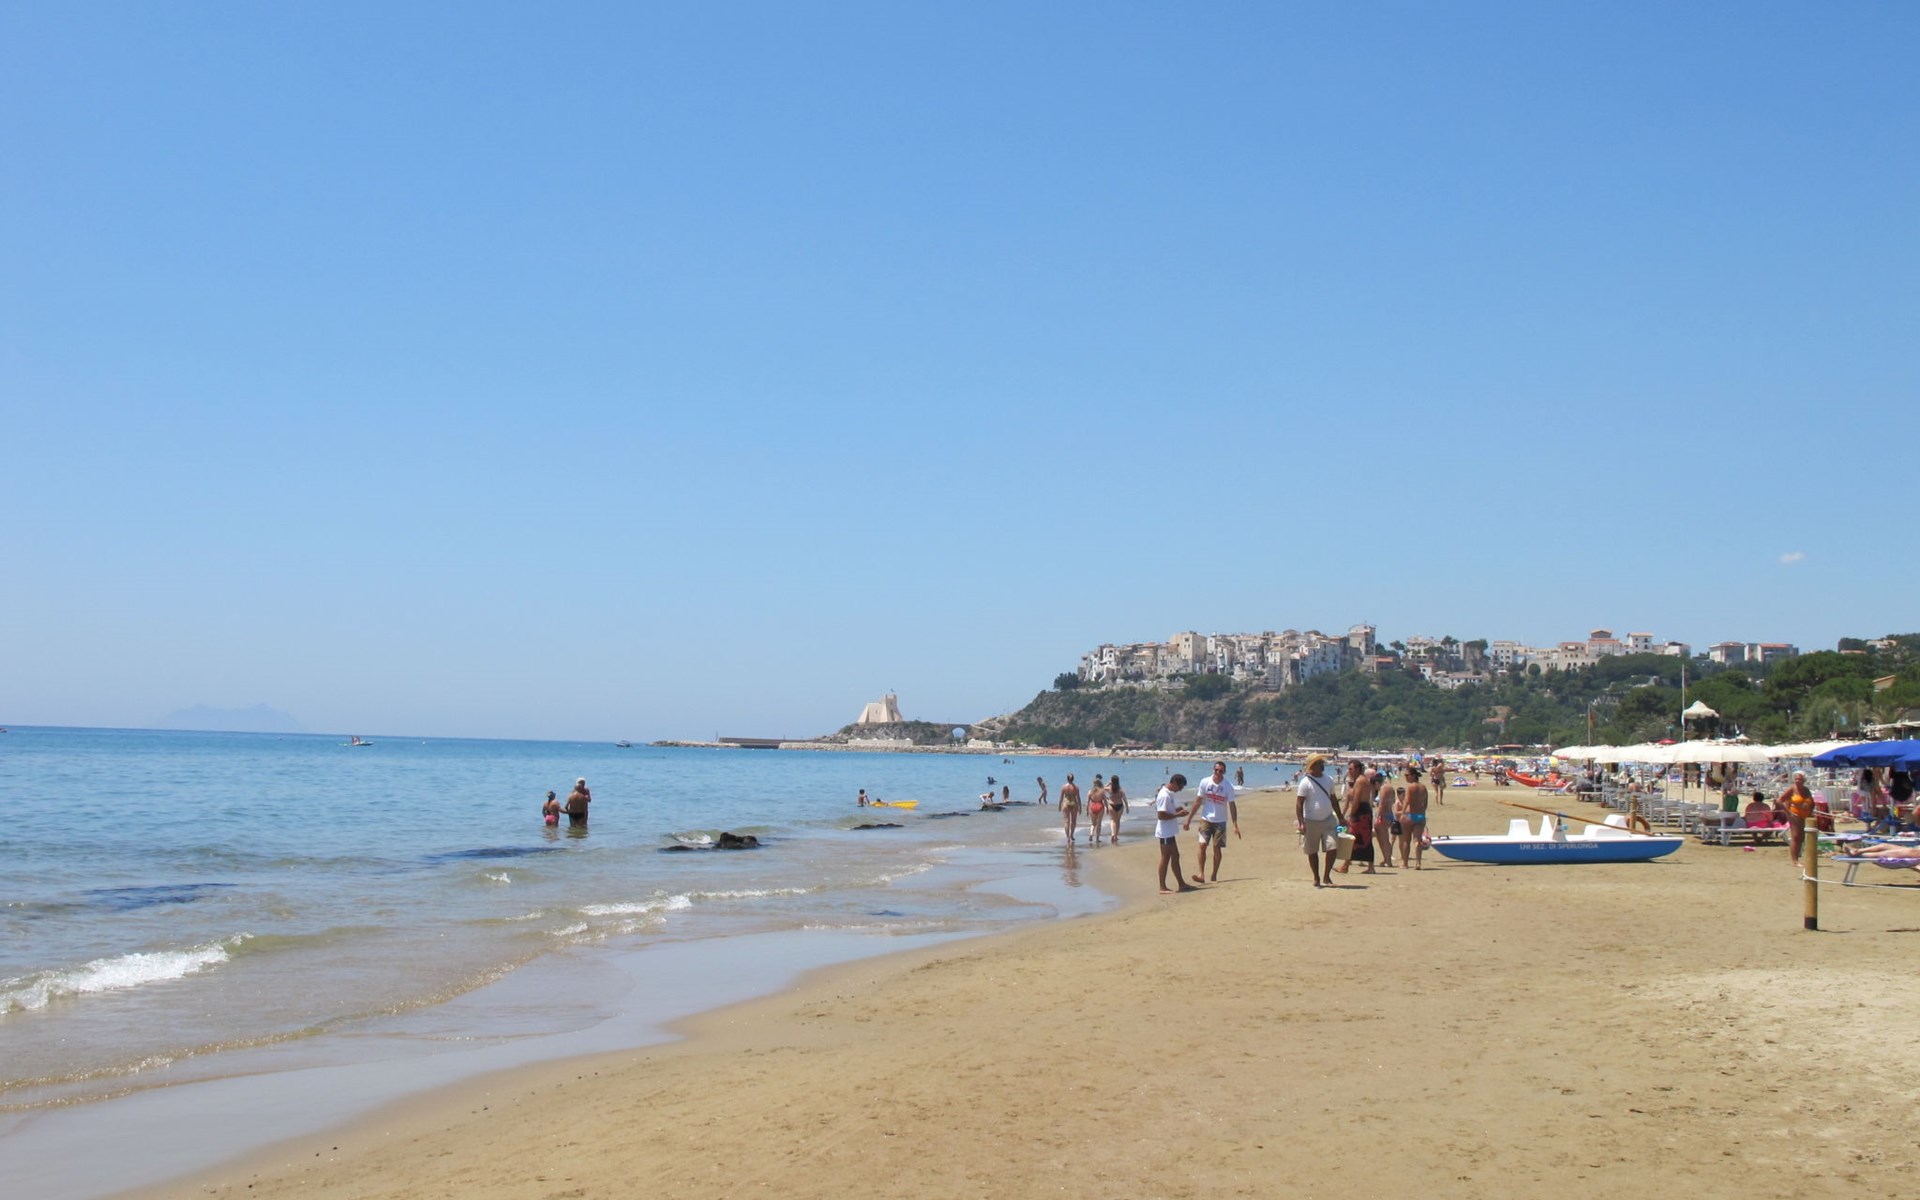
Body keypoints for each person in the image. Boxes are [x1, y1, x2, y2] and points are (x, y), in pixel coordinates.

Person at [1185, 760, 1240, 883]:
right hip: (1206, 818)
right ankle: (1201, 874)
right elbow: (1198, 801)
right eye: (1216, 770)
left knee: (1217, 848)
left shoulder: (1228, 786)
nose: (1218, 773)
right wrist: (1188, 819)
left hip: (1220, 821)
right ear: (1213, 770)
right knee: (1202, 845)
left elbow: (1232, 805)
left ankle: (1214, 874)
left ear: (1224, 772)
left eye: (1221, 771)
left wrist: (1235, 825)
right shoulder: (1205, 782)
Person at [1295, 754, 1341, 887]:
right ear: (1312, 766)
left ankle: (1327, 876)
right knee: (1312, 850)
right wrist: (1301, 823)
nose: (1322, 765)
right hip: (1311, 821)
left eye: (1322, 762)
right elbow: (1299, 803)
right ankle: (1316, 877)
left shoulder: (1329, 780)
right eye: (1319, 763)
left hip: (1328, 819)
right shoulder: (1305, 782)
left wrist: (1341, 817)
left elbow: (1333, 799)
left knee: (1333, 847)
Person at [1154, 774, 1198, 893]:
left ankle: (1181, 884)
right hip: (1165, 832)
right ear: (1174, 783)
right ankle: (1162, 887)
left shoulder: (1169, 794)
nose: (1181, 789)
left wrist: (1177, 810)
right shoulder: (1164, 795)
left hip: (1169, 831)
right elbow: (1161, 815)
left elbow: (1167, 810)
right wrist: (1178, 815)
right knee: (1165, 858)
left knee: (1175, 856)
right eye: (1180, 786)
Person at [1395, 765, 1430, 870]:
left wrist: (1402, 814)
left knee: (1406, 840)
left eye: (1407, 775)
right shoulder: (1423, 787)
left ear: (1414, 776)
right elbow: (1425, 803)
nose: (1405, 777)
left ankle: (1405, 863)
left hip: (1409, 815)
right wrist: (1421, 811)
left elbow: (1407, 801)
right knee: (1417, 840)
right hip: (1420, 815)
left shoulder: (1410, 787)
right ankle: (1418, 862)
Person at [1779, 771, 1816, 867]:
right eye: (1796, 779)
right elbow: (1779, 800)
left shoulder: (1806, 790)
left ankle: (1797, 857)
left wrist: (1810, 811)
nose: (1797, 781)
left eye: (1800, 779)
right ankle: (1795, 860)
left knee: (1802, 837)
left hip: (1805, 816)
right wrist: (1788, 812)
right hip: (1794, 815)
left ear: (1804, 780)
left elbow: (1812, 803)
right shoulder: (1792, 789)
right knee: (1795, 836)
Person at [1341, 772, 1375, 875]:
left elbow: (1356, 800)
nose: (1349, 771)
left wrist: (1351, 815)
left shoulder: (1360, 781)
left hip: (1360, 812)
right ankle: (1370, 866)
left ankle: (1345, 866)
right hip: (1364, 810)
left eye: (1351, 769)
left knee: (1353, 838)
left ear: (1357, 769)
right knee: (1365, 839)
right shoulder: (1364, 780)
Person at [1059, 773, 1081, 845]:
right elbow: (1078, 798)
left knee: (1066, 821)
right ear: (1073, 779)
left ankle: (1067, 837)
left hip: (1066, 803)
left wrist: (1059, 805)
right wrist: (1080, 807)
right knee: (1073, 821)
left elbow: (1061, 797)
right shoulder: (1076, 787)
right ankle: (1071, 835)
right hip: (1074, 803)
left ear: (1067, 779)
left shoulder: (1064, 787)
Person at [1087, 774, 1109, 845]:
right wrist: (1107, 808)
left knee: (1093, 823)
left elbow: (1088, 802)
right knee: (1099, 823)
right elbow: (1105, 801)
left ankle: (1091, 834)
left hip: (1092, 806)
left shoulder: (1090, 791)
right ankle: (1097, 838)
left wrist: (1087, 810)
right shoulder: (1102, 791)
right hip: (1100, 806)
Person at [1106, 775, 1127, 844]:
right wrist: (1127, 807)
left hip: (1112, 805)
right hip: (1120, 806)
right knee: (1118, 821)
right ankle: (1116, 836)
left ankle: (1112, 833)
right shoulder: (1121, 790)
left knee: (1112, 820)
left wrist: (1108, 783)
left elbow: (1101, 788)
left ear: (1112, 781)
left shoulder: (1109, 788)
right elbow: (1124, 799)